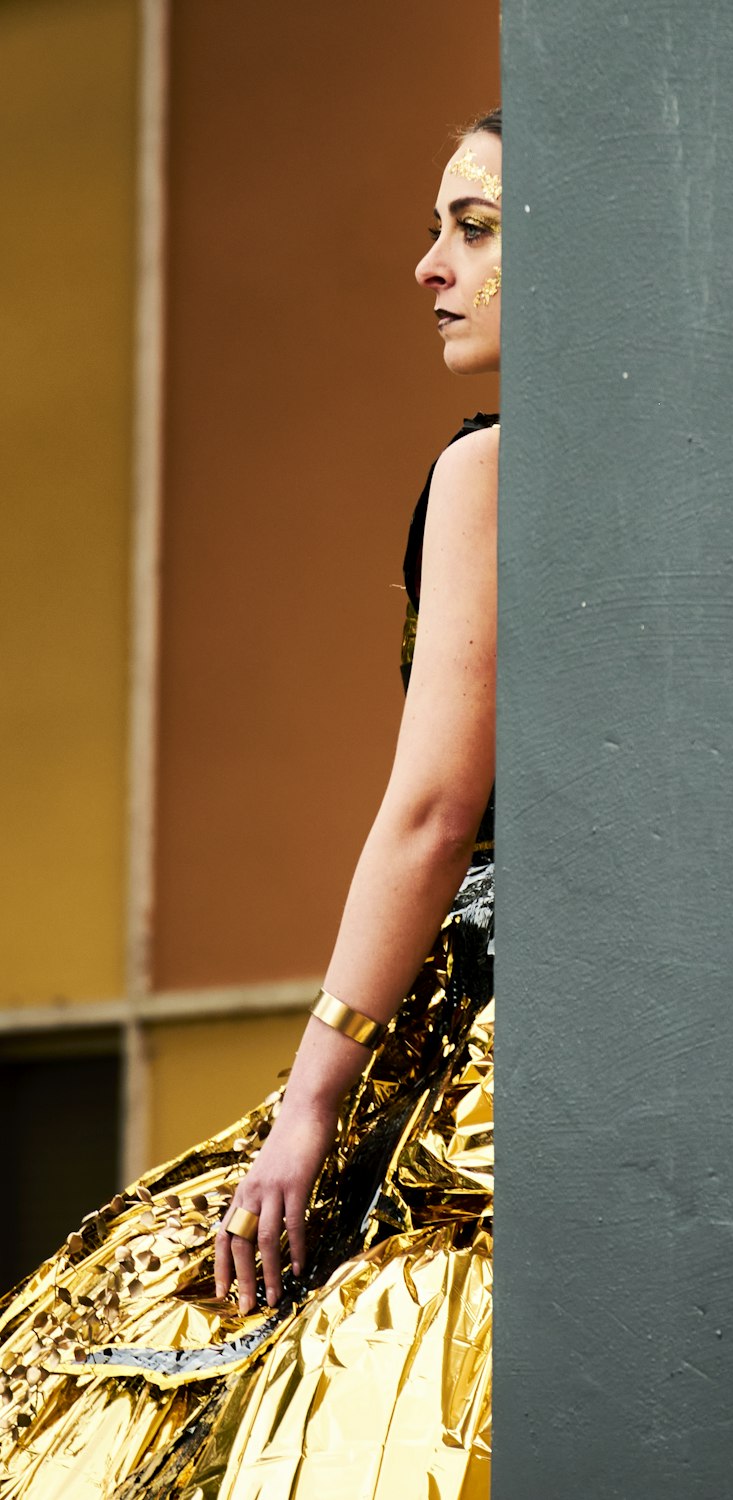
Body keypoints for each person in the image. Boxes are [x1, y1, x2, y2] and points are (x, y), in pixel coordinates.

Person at [0, 109, 502, 1500]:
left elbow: (431, 809)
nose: (426, 267)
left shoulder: (491, 468)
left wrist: (311, 1099)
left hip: (477, 1048)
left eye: (473, 230)